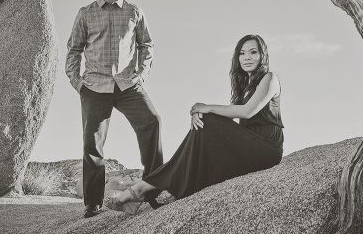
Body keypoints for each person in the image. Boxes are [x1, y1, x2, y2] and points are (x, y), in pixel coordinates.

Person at [105, 34, 283, 214]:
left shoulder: (270, 78)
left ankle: (141, 189)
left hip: (266, 148)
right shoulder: (246, 87)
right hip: (249, 148)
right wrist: (198, 115)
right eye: (242, 53)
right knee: (205, 129)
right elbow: (228, 117)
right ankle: (161, 189)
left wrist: (206, 108)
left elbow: (246, 111)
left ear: (263, 55)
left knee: (208, 120)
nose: (247, 57)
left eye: (253, 52)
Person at [66, 0, 163, 218]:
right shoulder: (85, 14)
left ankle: (153, 190)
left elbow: (147, 44)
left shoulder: (134, 11)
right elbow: (74, 50)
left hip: (128, 84)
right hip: (95, 85)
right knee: (93, 144)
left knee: (152, 122)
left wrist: (141, 73)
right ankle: (93, 202)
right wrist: (78, 83)